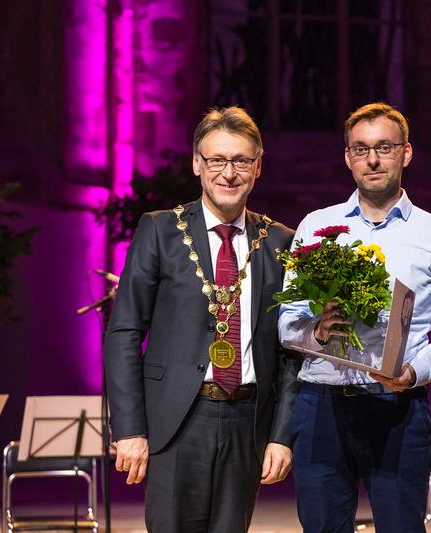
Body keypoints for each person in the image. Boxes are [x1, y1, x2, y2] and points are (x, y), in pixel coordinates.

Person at [105, 106, 298, 532]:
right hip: (176, 421)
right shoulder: (160, 230)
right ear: (197, 163)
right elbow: (124, 331)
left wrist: (282, 435)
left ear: (258, 166)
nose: (229, 173)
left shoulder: (280, 242)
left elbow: (291, 352)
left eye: (241, 161)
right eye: (217, 160)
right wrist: (130, 429)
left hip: (247, 423)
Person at [278, 102, 431, 533]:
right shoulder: (315, 226)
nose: (373, 160)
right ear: (347, 157)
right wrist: (317, 331)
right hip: (321, 402)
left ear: (406, 153)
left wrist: (414, 372)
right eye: (360, 149)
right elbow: (286, 321)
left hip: (397, 406)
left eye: (384, 147)